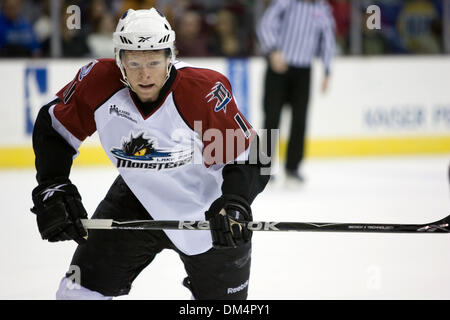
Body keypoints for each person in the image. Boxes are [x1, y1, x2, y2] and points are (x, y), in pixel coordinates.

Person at [30, 8, 269, 300]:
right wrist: (52, 184)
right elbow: (53, 126)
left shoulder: (201, 91)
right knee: (77, 293)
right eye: (134, 62)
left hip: (208, 210)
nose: (144, 74)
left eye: (154, 61)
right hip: (138, 197)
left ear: (170, 57)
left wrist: (236, 203)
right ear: (119, 60)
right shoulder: (98, 82)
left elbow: (255, 153)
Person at [256, 0, 336, 182]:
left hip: (303, 70)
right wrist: (272, 51)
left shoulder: (323, 8)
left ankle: (293, 167)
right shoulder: (286, 3)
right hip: (278, 67)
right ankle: (263, 166)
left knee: (300, 118)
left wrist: (327, 70)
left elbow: (328, 39)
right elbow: (265, 25)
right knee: (271, 116)